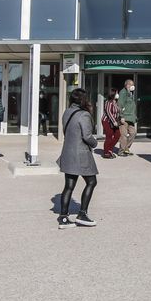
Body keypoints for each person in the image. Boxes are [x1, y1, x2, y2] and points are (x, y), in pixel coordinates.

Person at [57, 88, 98, 229]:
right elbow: (87, 136)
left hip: (67, 152)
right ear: (83, 99)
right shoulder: (84, 115)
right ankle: (82, 214)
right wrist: (95, 143)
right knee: (92, 182)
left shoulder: (67, 112)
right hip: (81, 155)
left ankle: (63, 217)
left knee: (69, 186)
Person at [117, 78, 137, 157]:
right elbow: (120, 105)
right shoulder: (123, 93)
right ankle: (121, 151)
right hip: (124, 117)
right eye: (132, 85)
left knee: (133, 133)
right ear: (127, 85)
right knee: (124, 135)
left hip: (131, 118)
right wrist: (121, 116)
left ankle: (126, 148)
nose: (133, 86)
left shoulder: (130, 93)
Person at [101, 88, 120, 159]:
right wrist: (114, 121)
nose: (117, 95)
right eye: (116, 93)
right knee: (109, 136)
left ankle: (110, 149)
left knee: (118, 135)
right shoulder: (108, 102)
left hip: (114, 121)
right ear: (112, 94)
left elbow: (118, 111)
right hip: (107, 121)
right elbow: (109, 112)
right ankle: (106, 153)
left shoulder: (115, 102)